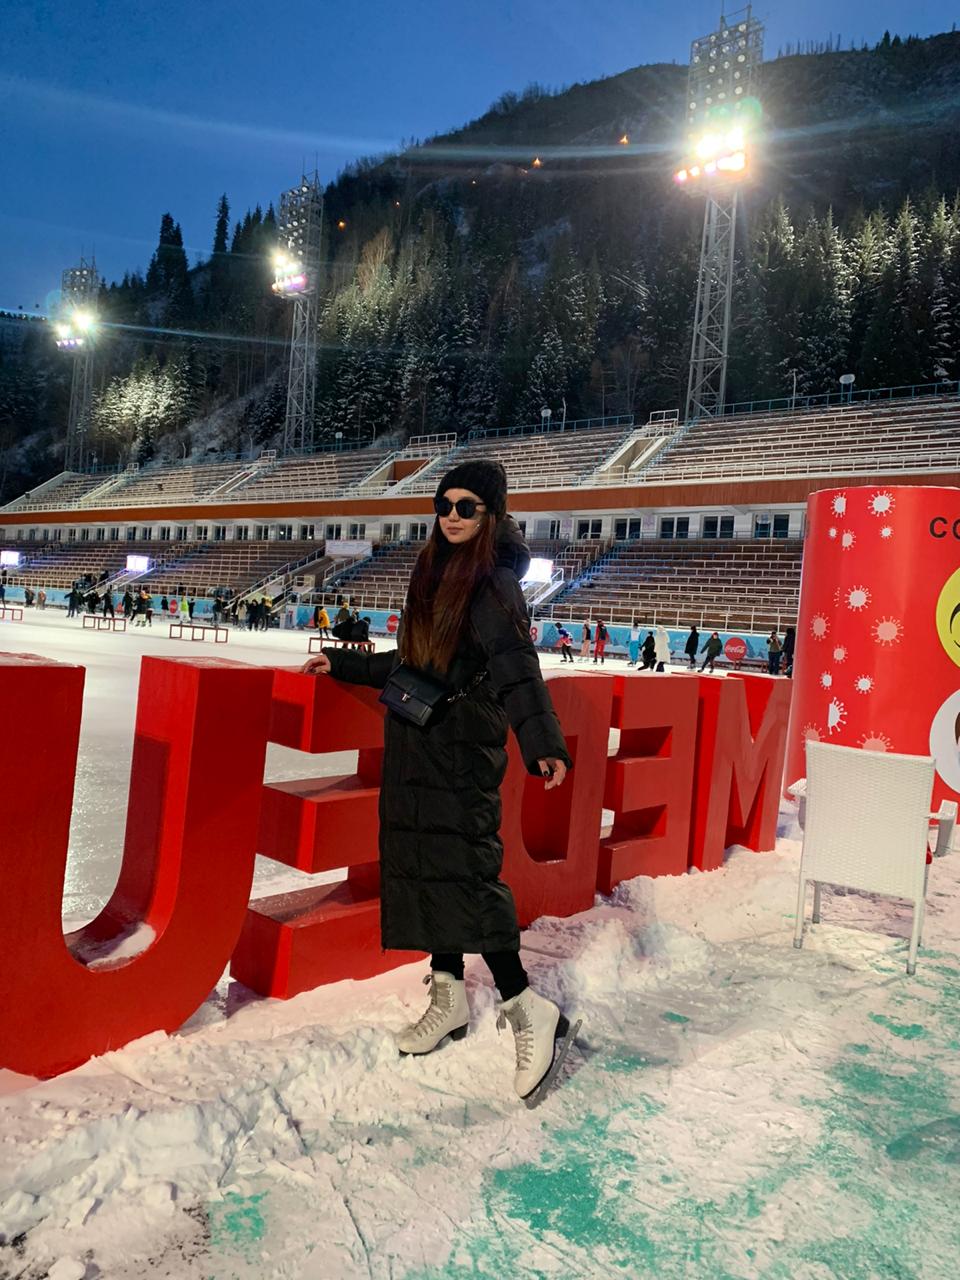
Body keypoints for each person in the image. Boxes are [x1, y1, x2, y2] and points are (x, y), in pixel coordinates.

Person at [301, 460, 575, 1103]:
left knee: (467, 874)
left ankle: (527, 1007)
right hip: (417, 740)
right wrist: (343, 662)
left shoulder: (493, 581)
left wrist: (543, 743)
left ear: (492, 515)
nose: (452, 516)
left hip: (461, 749)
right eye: (445, 505)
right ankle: (448, 994)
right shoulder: (432, 569)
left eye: (467, 507)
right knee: (424, 868)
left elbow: (517, 667)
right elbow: (413, 660)